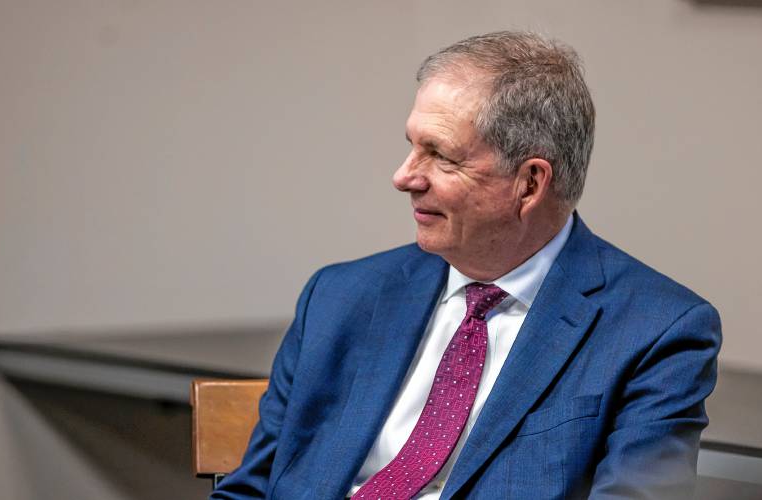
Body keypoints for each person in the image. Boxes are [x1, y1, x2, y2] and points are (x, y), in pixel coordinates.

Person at [212, 31, 721, 499]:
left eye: (441, 156)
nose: (404, 176)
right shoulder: (340, 297)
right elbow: (251, 490)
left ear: (529, 183)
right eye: (411, 146)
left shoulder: (657, 333)